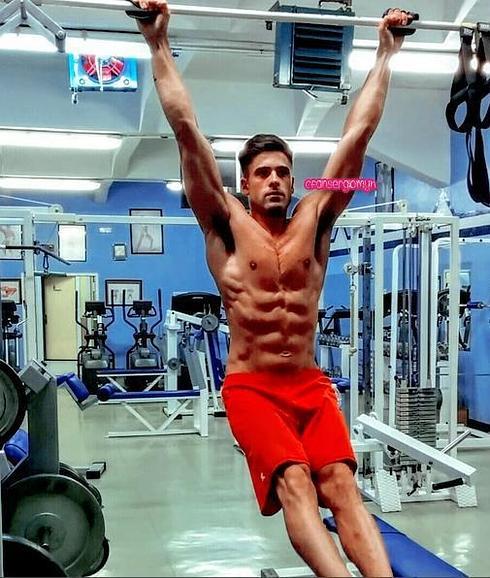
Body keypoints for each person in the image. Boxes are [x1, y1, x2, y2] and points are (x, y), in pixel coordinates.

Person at [136, 3, 412, 576]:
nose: (276, 180)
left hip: (310, 383)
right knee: (295, 481)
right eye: (263, 172)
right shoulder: (223, 219)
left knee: (341, 483)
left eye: (284, 171)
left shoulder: (318, 213)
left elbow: (358, 135)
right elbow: (187, 131)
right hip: (252, 388)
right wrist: (158, 44)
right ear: (244, 181)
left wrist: (386, 52)